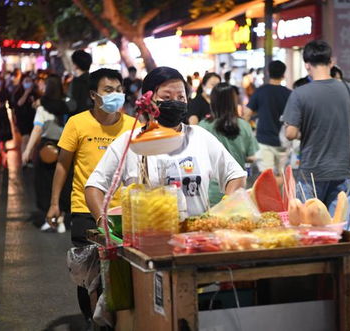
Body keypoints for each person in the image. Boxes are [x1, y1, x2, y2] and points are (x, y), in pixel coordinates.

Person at [85, 66, 247, 219]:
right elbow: (94, 187)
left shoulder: (200, 137)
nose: (175, 102)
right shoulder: (129, 143)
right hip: (146, 240)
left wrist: (227, 206)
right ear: (148, 101)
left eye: (181, 97)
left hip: (195, 239)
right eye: (166, 97)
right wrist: (103, 222)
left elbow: (235, 175)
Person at [43, 68, 135, 325]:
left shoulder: (132, 125)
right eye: (109, 90)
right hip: (85, 209)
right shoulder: (77, 123)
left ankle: (119, 321)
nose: (115, 95)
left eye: (119, 89)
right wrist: (54, 204)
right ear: (94, 95)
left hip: (124, 212)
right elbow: (63, 165)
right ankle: (90, 320)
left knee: (120, 272)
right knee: (88, 275)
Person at [283, 40, 350, 230]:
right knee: (339, 228)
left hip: (312, 171)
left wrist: (308, 129)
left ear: (307, 64)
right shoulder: (348, 89)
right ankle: (341, 259)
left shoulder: (300, 93)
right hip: (342, 169)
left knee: (309, 228)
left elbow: (290, 133)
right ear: (331, 62)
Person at [22, 74, 71, 231]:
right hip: (66, 148)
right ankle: (62, 219)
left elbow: (37, 129)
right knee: (64, 183)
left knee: (45, 184)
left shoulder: (42, 108)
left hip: (46, 149)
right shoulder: (68, 106)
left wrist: (28, 150)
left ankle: (49, 219)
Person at [199, 83, 259, 205]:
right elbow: (253, 156)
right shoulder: (244, 126)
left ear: (213, 101)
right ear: (233, 101)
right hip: (237, 191)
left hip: (211, 192)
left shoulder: (203, 126)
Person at [246, 60, 292, 175]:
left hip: (264, 141)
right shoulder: (289, 94)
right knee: (282, 176)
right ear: (283, 75)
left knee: (267, 177)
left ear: (268, 72)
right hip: (284, 142)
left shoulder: (261, 91)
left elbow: (246, 114)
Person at [12, 74, 37, 155]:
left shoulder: (34, 93)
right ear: (22, 82)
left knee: (32, 139)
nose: (28, 83)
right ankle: (24, 158)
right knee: (25, 138)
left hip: (32, 118)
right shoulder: (17, 93)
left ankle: (30, 157)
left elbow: (36, 105)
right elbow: (19, 103)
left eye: (30, 81)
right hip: (22, 119)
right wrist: (26, 93)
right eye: (26, 81)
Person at [68, 49, 92, 115]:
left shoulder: (76, 82)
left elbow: (72, 105)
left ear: (75, 65)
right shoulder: (94, 80)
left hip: (78, 120)